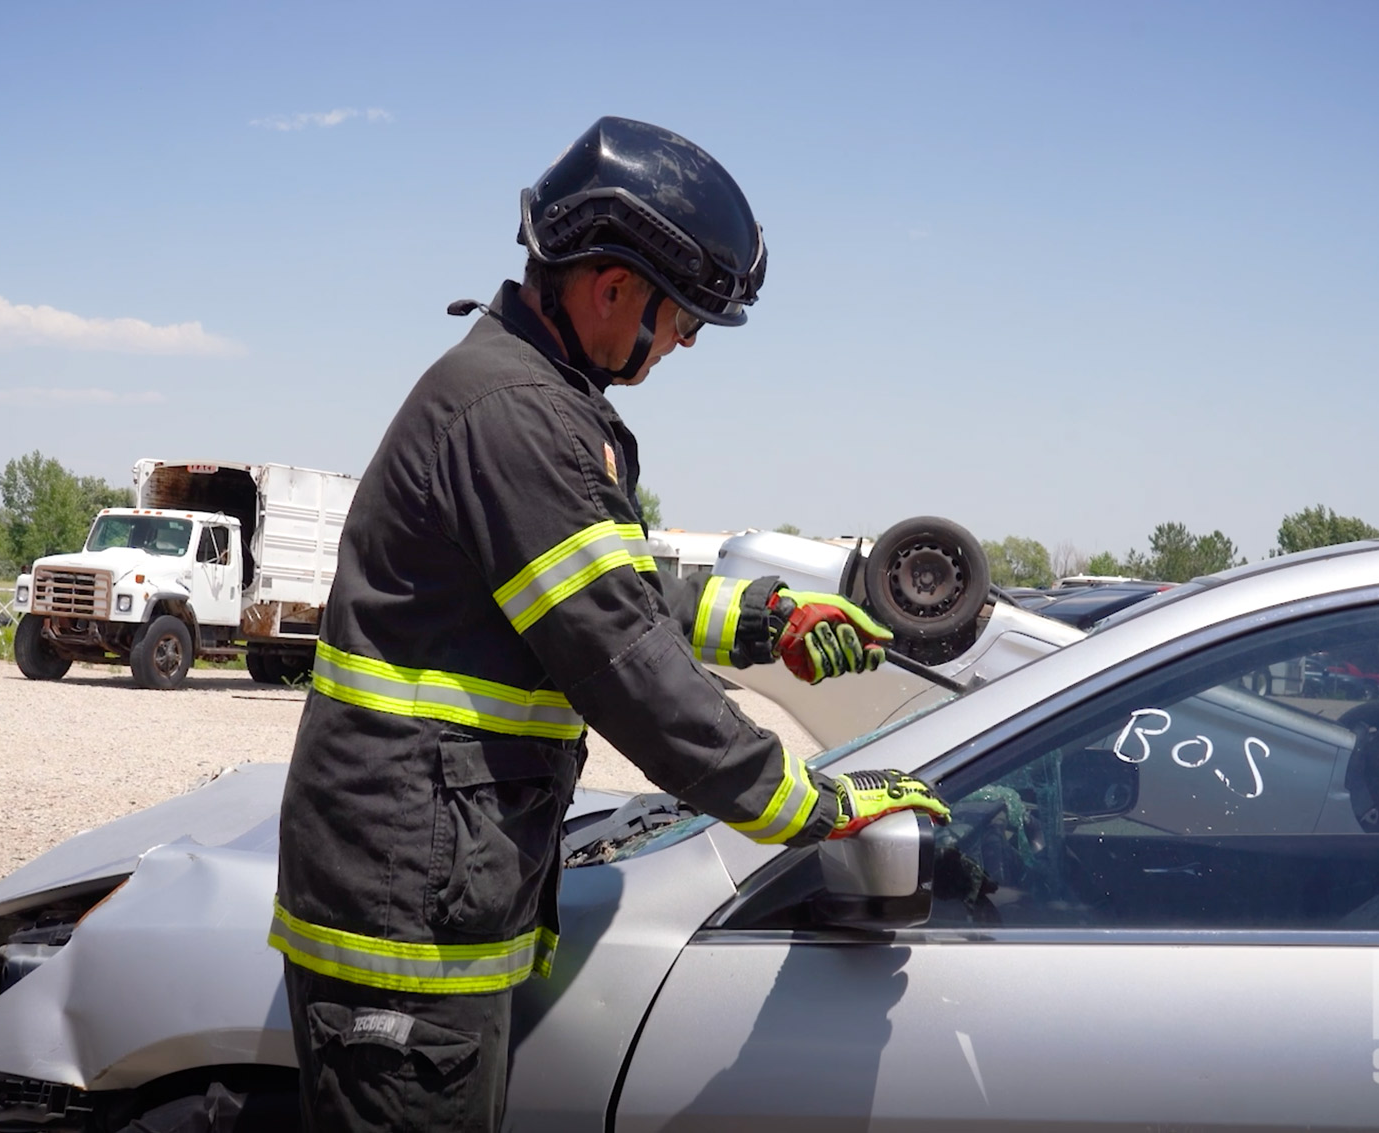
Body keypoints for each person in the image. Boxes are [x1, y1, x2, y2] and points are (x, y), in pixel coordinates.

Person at [270, 116, 951, 1132]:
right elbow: (623, 662)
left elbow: (608, 596)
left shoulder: (523, 396)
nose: (683, 345)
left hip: (421, 893)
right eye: (683, 320)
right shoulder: (516, 416)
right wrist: (809, 803)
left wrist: (766, 621)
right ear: (614, 289)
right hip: (404, 930)